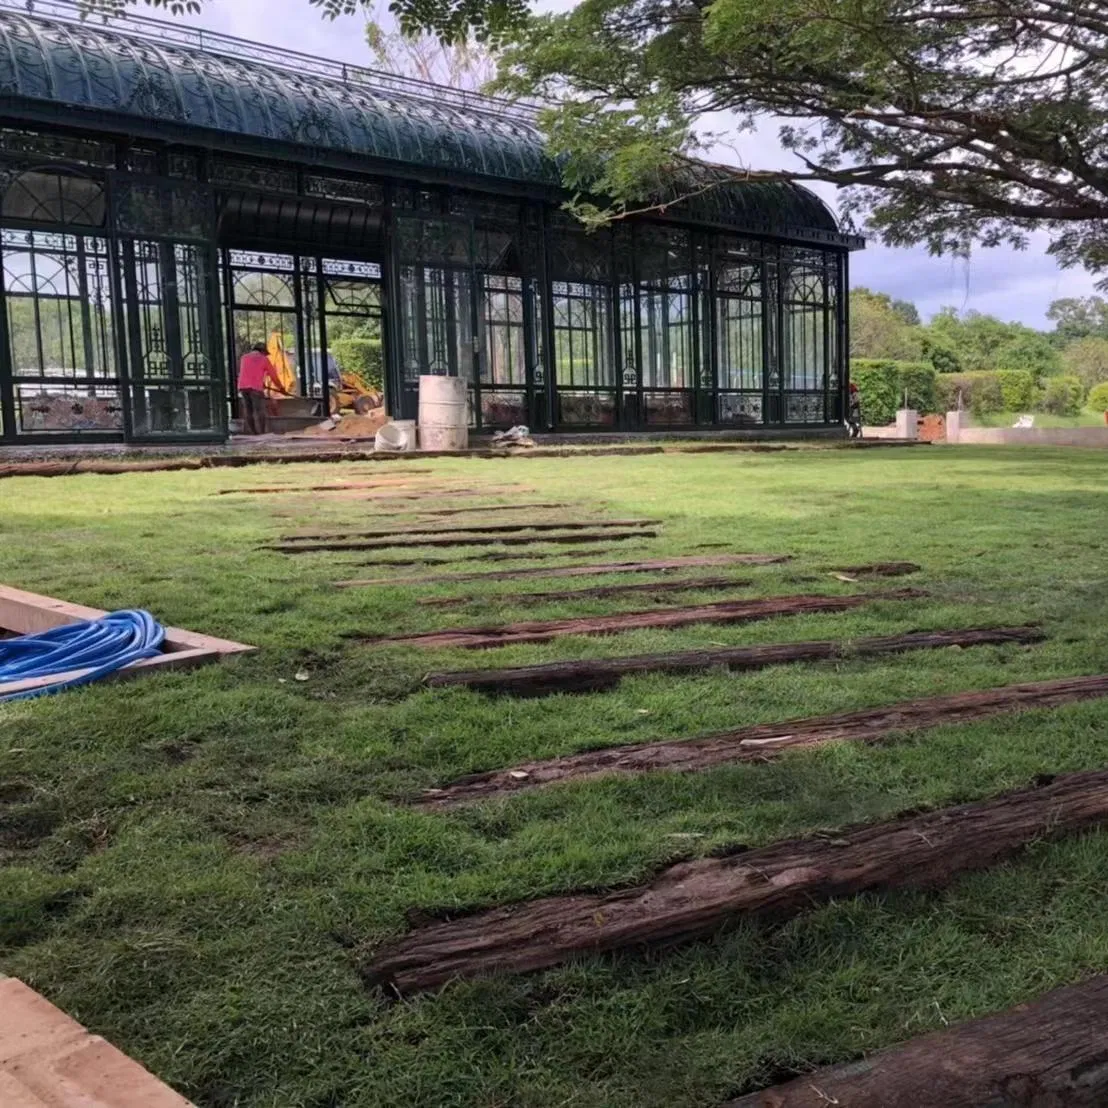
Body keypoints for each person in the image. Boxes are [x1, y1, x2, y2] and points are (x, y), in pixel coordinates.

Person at [237, 342, 286, 435]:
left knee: (248, 410)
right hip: (255, 388)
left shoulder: (244, 358)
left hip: (242, 387)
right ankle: (262, 433)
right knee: (259, 411)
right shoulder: (264, 359)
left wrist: (261, 382)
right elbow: (274, 376)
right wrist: (281, 388)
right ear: (263, 351)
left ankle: (253, 432)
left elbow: (247, 372)